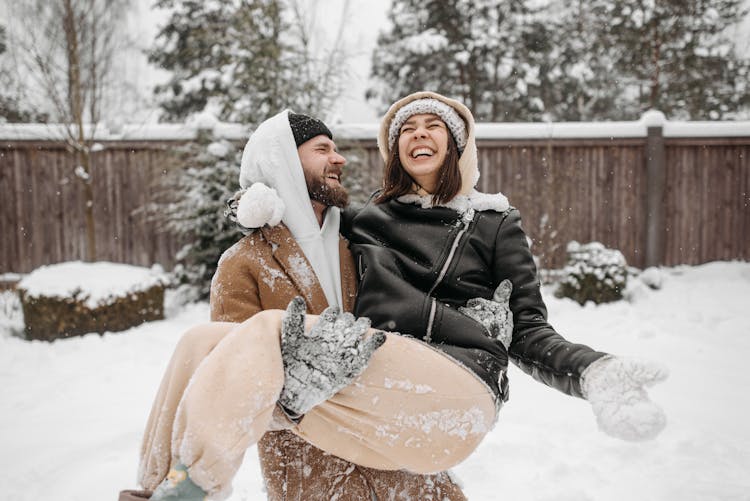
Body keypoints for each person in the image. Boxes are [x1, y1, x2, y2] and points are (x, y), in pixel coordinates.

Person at [128, 93, 667, 501]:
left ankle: (197, 486)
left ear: (458, 144)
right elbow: (296, 213)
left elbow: (529, 328)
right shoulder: (368, 224)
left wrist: (592, 370)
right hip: (352, 422)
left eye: (435, 125)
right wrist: (250, 202)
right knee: (204, 341)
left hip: (448, 391)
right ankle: (153, 490)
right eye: (406, 127)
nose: (419, 133)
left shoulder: (493, 223)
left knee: (262, 335)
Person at [120, 112, 472, 501]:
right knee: (203, 343)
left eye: (336, 149)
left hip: (402, 465)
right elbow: (228, 384)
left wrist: (474, 320)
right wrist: (291, 400)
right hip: (315, 476)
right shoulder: (242, 264)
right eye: (322, 149)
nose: (339, 159)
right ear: (282, 160)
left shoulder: (366, 244)